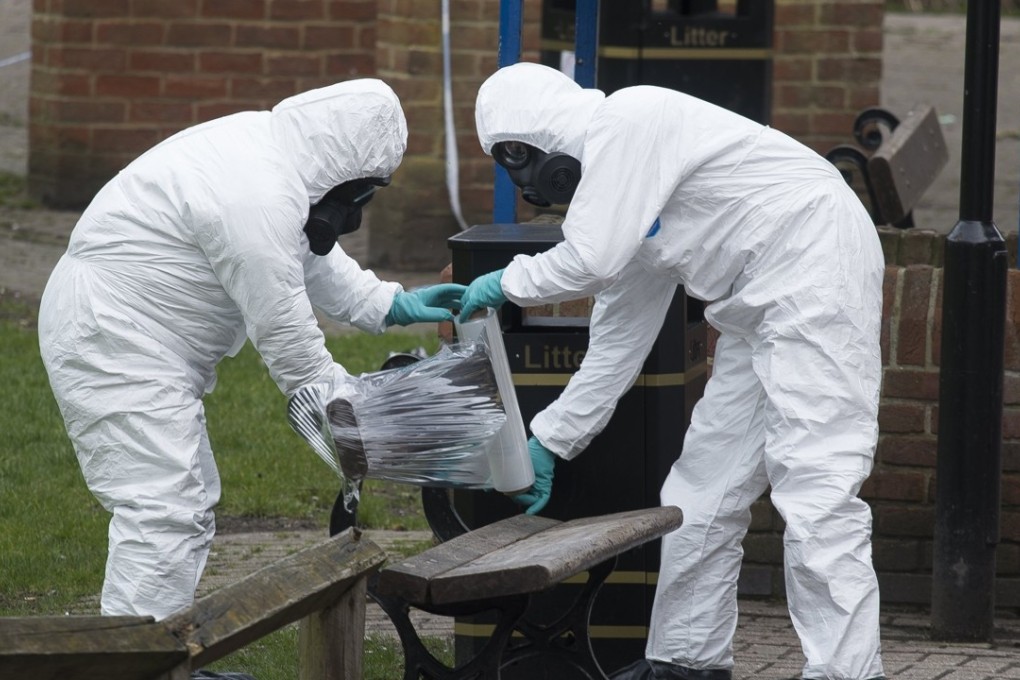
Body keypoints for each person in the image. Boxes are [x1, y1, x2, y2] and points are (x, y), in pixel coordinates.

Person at [459, 62, 885, 680]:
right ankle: (686, 661)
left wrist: (506, 282)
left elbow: (589, 258)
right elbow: (618, 338)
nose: (528, 182)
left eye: (519, 159)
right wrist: (552, 438)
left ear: (545, 140)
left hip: (816, 269)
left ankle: (848, 672)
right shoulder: (622, 200)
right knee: (701, 490)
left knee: (816, 487)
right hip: (755, 306)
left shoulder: (632, 116)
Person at [38, 80, 465, 632]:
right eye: (365, 193)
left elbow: (306, 255)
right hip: (111, 333)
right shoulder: (257, 191)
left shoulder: (276, 160)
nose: (357, 212)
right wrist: (345, 411)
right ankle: (131, 664)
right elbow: (282, 324)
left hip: (129, 334)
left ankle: (160, 653)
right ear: (344, 175)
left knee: (179, 504)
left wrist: (393, 303)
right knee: (163, 508)